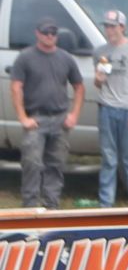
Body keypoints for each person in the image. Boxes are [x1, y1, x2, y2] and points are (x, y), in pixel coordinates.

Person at [10, 18, 83, 209]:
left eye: (53, 33)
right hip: (36, 118)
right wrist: (23, 118)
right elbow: (16, 87)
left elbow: (79, 86)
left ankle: (52, 206)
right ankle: (30, 206)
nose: (50, 36)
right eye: (45, 32)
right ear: (37, 33)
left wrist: (74, 114)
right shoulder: (25, 57)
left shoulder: (66, 58)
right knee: (32, 163)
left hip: (60, 118)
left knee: (56, 164)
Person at [91, 9, 128, 208]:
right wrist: (98, 80)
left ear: (122, 27)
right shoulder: (100, 52)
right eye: (106, 26)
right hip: (107, 108)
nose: (109, 30)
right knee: (109, 158)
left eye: (113, 26)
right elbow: (98, 82)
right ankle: (105, 205)